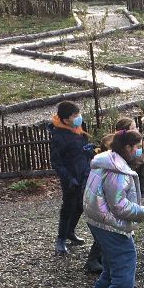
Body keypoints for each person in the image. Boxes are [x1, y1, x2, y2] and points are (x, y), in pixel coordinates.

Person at [83, 129, 144, 288]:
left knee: (112, 258)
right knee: (125, 256)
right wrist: (142, 211)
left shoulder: (107, 161)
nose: (140, 150)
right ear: (128, 147)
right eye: (138, 147)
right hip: (110, 222)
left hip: (98, 218)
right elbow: (119, 205)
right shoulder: (117, 171)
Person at [49, 100, 93, 256]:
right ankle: (60, 239)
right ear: (66, 119)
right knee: (68, 206)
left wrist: (88, 152)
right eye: (75, 115)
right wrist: (67, 178)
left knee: (81, 206)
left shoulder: (78, 129)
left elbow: (81, 150)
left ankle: (70, 232)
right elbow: (56, 161)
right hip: (70, 177)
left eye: (78, 114)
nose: (78, 117)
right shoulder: (59, 136)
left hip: (83, 172)